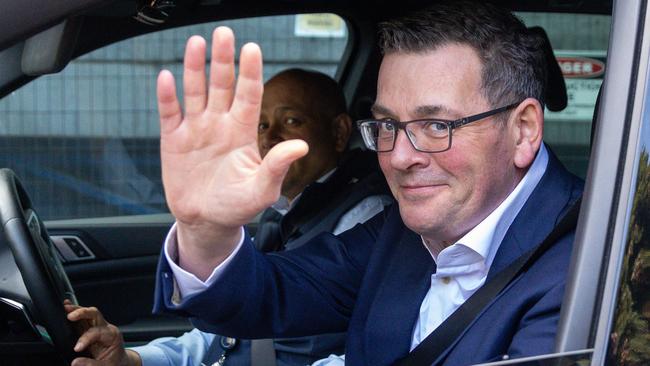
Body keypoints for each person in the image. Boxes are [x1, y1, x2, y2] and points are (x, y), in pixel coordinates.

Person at [92, 1, 583, 365]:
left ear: (523, 131)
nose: (400, 156)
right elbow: (271, 295)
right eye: (388, 125)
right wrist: (207, 228)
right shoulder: (403, 232)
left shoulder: (589, 266)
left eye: (437, 126)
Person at [65, 68, 393, 366]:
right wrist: (133, 360)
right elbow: (224, 332)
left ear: (338, 132)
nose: (269, 137)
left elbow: (365, 351)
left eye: (291, 121)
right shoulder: (279, 214)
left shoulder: (366, 218)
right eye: (261, 125)